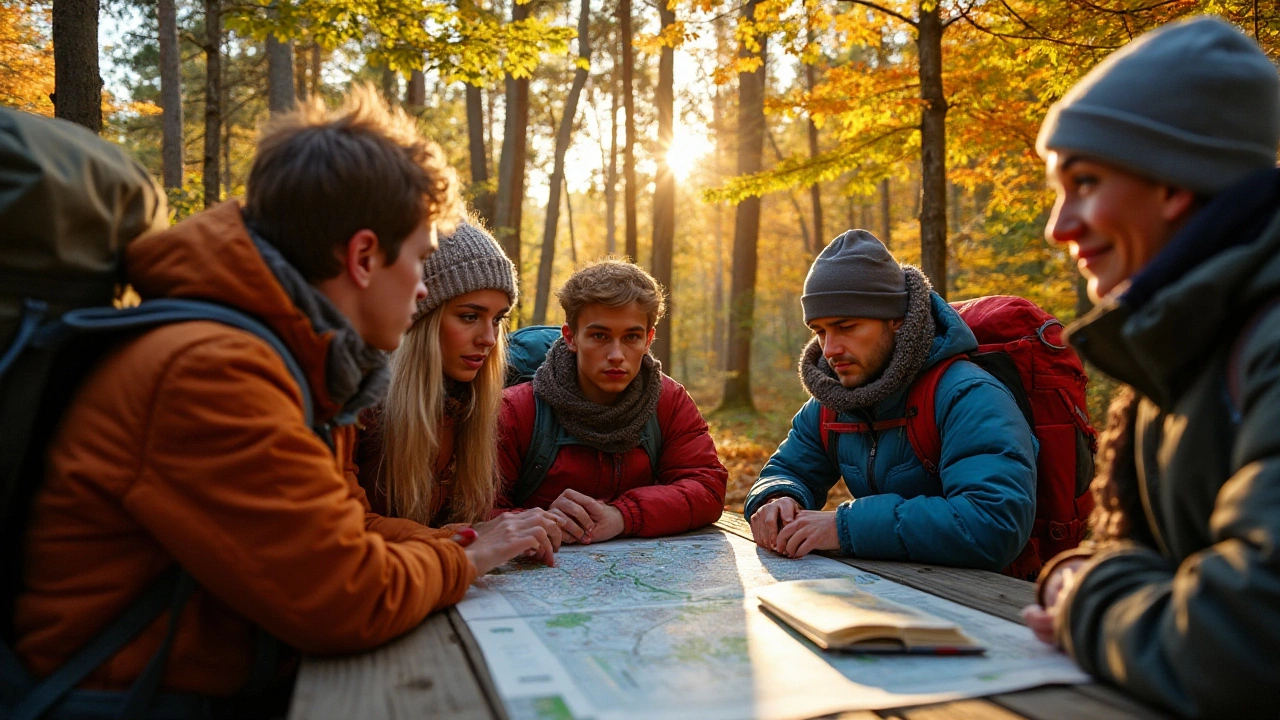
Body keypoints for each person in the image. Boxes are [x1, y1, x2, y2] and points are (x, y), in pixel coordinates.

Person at [11, 87, 554, 713]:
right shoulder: (213, 372)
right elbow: (345, 596)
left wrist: (460, 543)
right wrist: (467, 555)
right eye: (423, 260)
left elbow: (343, 535)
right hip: (122, 701)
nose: (423, 287)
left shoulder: (296, 358)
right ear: (363, 257)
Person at [1022, 16, 1280, 717]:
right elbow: (1129, 557)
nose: (1059, 226)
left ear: (1174, 183)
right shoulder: (1172, 343)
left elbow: (1245, 640)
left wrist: (1085, 597)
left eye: (1084, 182)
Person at [744, 231, 1037, 569]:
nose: (830, 349)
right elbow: (787, 469)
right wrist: (777, 496)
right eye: (820, 331)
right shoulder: (833, 400)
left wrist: (843, 527)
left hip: (988, 605)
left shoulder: (968, 395)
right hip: (896, 594)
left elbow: (993, 524)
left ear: (897, 320)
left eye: (846, 326)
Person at [357, 221, 561, 547]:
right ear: (422, 316)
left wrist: (530, 521)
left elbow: (473, 517)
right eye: (469, 316)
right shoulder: (357, 404)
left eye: (497, 319)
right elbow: (344, 528)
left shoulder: (475, 406)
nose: (489, 339)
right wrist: (461, 538)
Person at [496, 259, 728, 543]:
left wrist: (622, 516)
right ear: (571, 337)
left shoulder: (669, 401)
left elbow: (707, 487)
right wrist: (537, 521)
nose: (616, 354)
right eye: (599, 336)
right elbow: (476, 510)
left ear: (648, 340)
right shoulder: (517, 411)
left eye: (631, 336)